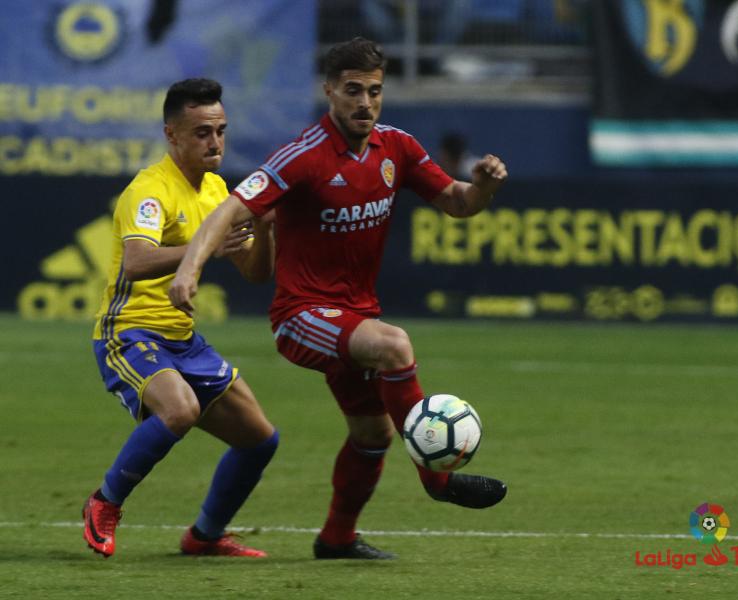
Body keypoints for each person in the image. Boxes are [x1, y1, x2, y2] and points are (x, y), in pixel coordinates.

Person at [169, 38, 508, 560]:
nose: (365, 103)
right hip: (300, 316)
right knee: (395, 346)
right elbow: (230, 210)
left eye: (374, 91)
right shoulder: (302, 156)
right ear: (330, 91)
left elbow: (458, 203)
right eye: (353, 91)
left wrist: (482, 187)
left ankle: (336, 539)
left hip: (353, 317)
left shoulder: (397, 147)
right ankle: (437, 481)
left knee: (373, 434)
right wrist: (189, 270)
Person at [83, 78, 279, 558]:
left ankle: (205, 535)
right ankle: (104, 503)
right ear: (172, 135)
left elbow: (256, 273)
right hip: (129, 333)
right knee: (180, 410)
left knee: (260, 440)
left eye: (220, 131)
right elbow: (137, 261)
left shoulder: (217, 191)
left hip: (182, 339)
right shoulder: (149, 190)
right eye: (201, 133)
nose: (214, 142)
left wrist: (265, 228)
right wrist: (204, 249)